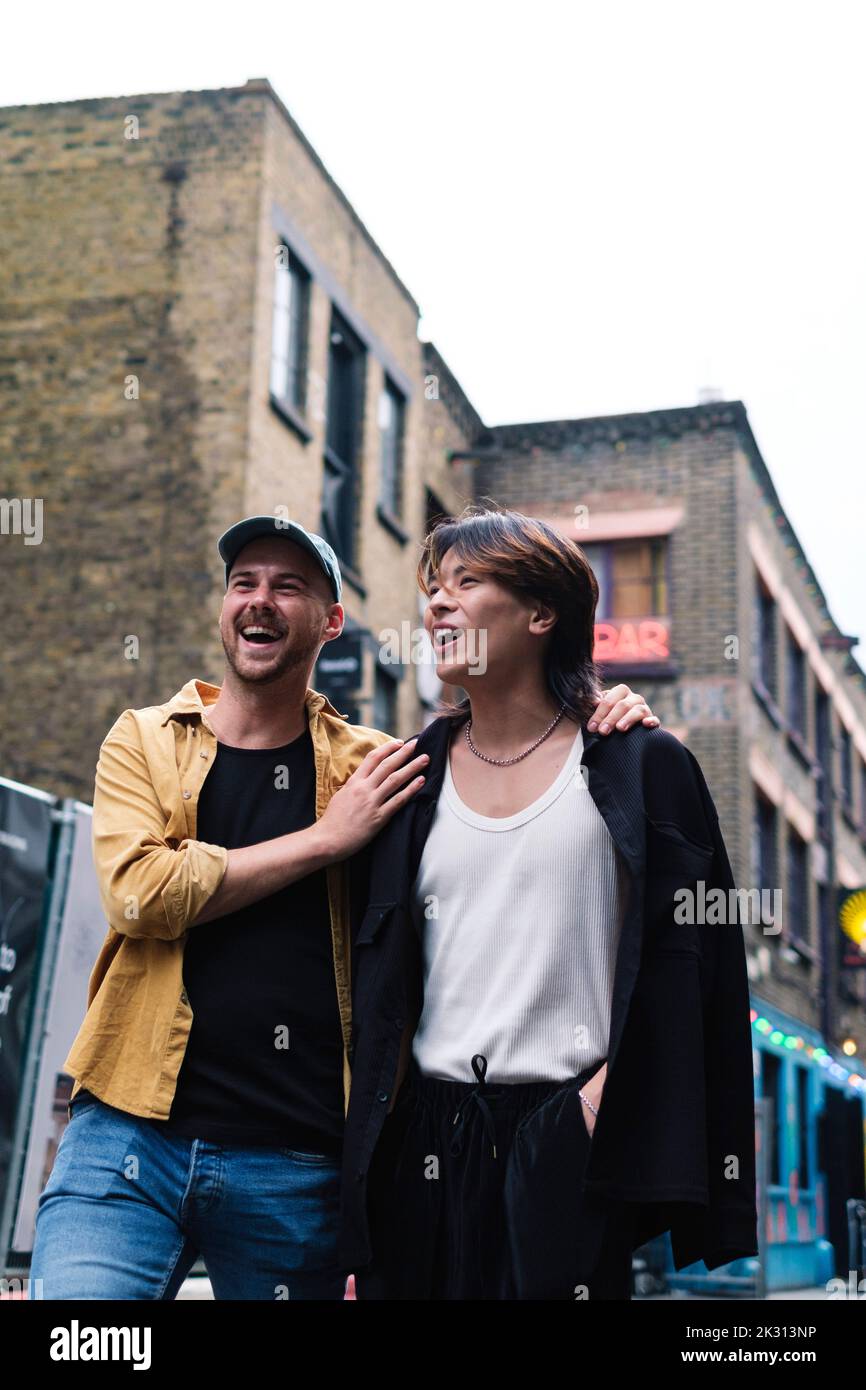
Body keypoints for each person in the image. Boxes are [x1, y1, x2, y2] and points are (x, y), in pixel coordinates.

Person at [29, 514, 660, 1301]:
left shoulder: (384, 766)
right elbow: (138, 894)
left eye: (287, 587)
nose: (259, 601)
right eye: (243, 584)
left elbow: (505, 774)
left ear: (331, 622)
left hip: (299, 1163)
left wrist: (600, 706)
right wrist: (326, 841)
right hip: (127, 1134)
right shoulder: (147, 742)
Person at [340, 506, 759, 1301]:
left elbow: (698, 965)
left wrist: (597, 1108)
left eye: (468, 582)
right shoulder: (405, 779)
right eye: (433, 587)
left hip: (564, 1130)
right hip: (422, 1139)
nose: (436, 603)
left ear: (541, 613)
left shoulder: (640, 765)